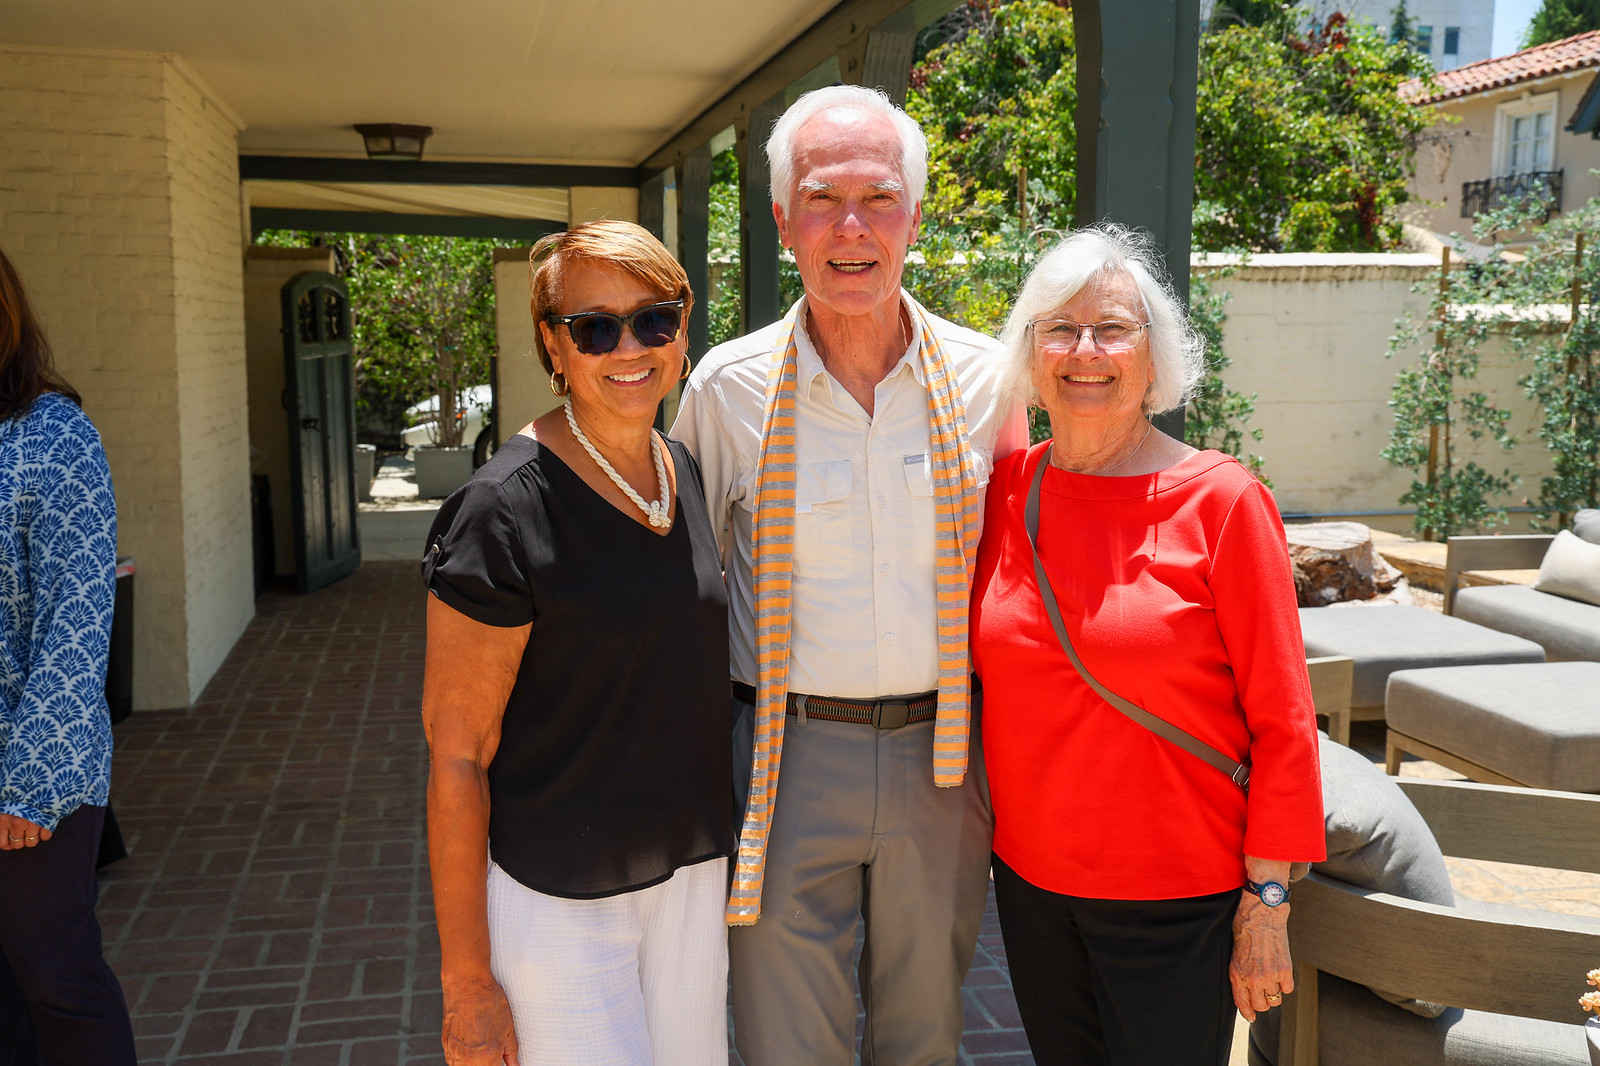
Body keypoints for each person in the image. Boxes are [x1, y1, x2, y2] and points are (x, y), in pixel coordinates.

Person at [672, 84, 1027, 1065]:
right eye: (823, 199)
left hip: (942, 761)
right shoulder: (726, 387)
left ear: (916, 215)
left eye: (878, 197)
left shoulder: (986, 379)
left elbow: (1020, 576)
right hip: (782, 760)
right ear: (783, 219)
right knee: (788, 1040)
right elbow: (681, 593)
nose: (852, 226)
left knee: (924, 1034)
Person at [969, 224, 1326, 1066]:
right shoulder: (1005, 491)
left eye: (1112, 329)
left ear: (1154, 358)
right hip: (1030, 885)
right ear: (1030, 353)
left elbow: (1284, 719)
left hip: (1178, 895)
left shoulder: (1224, 502)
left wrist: (1267, 901)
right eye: (1060, 328)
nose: (1084, 350)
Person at [421, 221, 733, 1066]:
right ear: (553, 348)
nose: (628, 347)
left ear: (683, 327)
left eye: (653, 320)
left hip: (691, 881)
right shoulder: (501, 509)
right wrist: (467, 985)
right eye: (595, 327)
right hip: (562, 898)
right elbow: (457, 758)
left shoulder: (682, 470)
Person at [0, 247, 137, 1066]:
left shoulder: (52, 435)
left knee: (56, 978)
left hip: (28, 777)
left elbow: (77, 621)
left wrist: (30, 785)